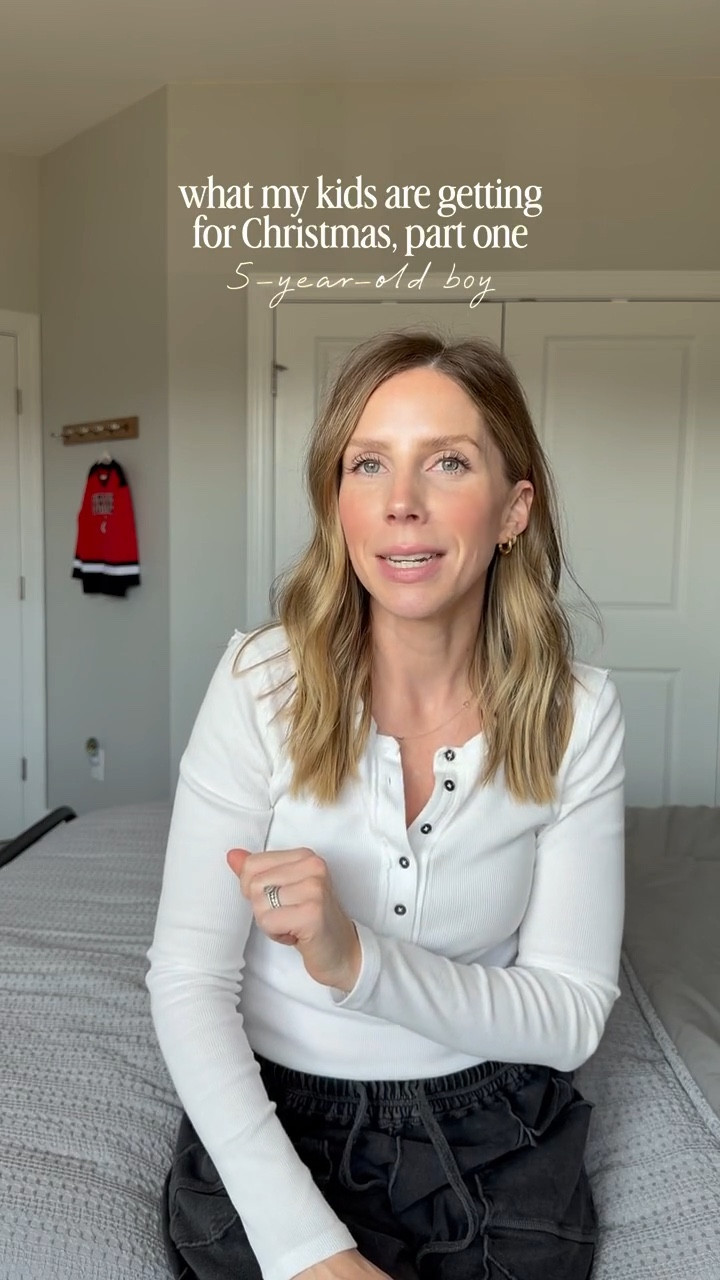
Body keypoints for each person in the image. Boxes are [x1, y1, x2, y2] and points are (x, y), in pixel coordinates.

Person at [146, 329, 625, 1280]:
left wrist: (357, 960)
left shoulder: (578, 712)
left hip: (494, 1125)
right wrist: (309, 1249)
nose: (402, 501)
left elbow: (572, 1014)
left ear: (513, 509)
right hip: (276, 1114)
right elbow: (188, 979)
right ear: (340, 505)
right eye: (368, 464)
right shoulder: (260, 680)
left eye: (447, 462)